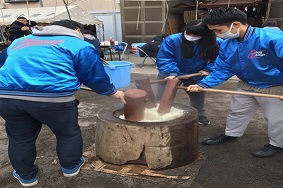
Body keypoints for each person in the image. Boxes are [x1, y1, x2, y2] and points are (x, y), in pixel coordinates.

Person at [0, 19, 126, 187]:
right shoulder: (78, 45)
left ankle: (26, 177)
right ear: (76, 30)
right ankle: (71, 167)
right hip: (54, 99)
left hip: (8, 97)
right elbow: (93, 76)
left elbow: (3, 63)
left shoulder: (19, 42)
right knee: (67, 133)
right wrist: (114, 92)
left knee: (20, 139)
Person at [187, 7, 283, 158]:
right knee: (237, 111)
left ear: (236, 24)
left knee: (276, 118)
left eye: (219, 30)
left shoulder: (272, 38)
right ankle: (231, 134)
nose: (217, 35)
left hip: (273, 86)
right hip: (246, 83)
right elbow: (223, 69)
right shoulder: (227, 44)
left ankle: (277, 145)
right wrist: (203, 84)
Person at [156, 20, 223, 125]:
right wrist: (171, 73)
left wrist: (208, 69)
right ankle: (159, 114)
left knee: (197, 96)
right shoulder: (172, 40)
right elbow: (165, 58)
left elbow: (219, 59)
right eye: (188, 33)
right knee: (163, 95)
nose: (190, 36)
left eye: (195, 34)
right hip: (171, 72)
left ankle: (198, 116)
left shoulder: (215, 42)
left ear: (205, 35)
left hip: (196, 73)